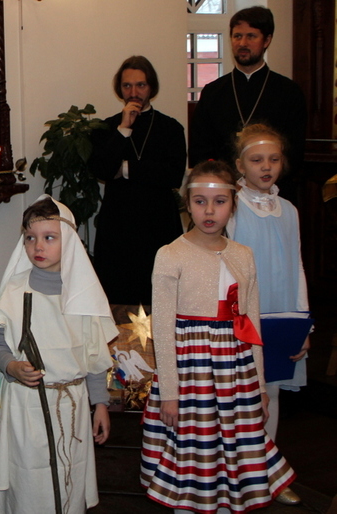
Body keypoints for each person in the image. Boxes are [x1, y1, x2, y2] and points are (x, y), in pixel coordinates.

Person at [141, 161, 296, 513]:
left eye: (220, 202)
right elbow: (162, 329)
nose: (209, 211)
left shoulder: (243, 255)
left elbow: (251, 325)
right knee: (192, 451)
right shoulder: (170, 255)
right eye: (200, 202)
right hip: (190, 375)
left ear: (233, 204)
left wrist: (259, 386)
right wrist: (170, 394)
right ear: (187, 203)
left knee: (232, 451)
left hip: (234, 374)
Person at [0, 195, 119, 514]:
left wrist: (100, 403)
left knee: (68, 478)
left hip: (71, 404)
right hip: (25, 405)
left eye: (49, 238)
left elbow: (94, 355)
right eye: (30, 238)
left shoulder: (83, 294)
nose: (38, 246)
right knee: (28, 483)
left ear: (69, 241)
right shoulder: (15, 289)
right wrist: (11, 366)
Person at [227, 124, 310, 505]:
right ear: (240, 165)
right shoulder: (232, 208)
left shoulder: (289, 211)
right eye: (257, 160)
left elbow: (297, 265)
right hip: (243, 318)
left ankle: (268, 476)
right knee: (240, 396)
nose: (266, 167)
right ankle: (233, 476)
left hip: (280, 317)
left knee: (270, 394)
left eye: (274, 159)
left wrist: (302, 323)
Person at [92, 56, 186, 306]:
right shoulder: (106, 128)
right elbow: (102, 169)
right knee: (116, 296)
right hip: (117, 226)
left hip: (159, 224)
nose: (133, 92)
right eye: (127, 86)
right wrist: (124, 129)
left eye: (140, 85)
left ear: (151, 87)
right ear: (119, 89)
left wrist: (125, 168)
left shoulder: (171, 128)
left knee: (162, 296)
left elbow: (172, 175)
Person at [189, 6, 307, 203]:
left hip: (273, 194)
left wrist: (260, 182)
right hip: (224, 195)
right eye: (237, 36)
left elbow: (293, 153)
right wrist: (226, 182)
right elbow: (200, 151)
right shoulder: (213, 92)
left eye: (251, 36)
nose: (242, 43)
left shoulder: (289, 92)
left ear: (266, 40)